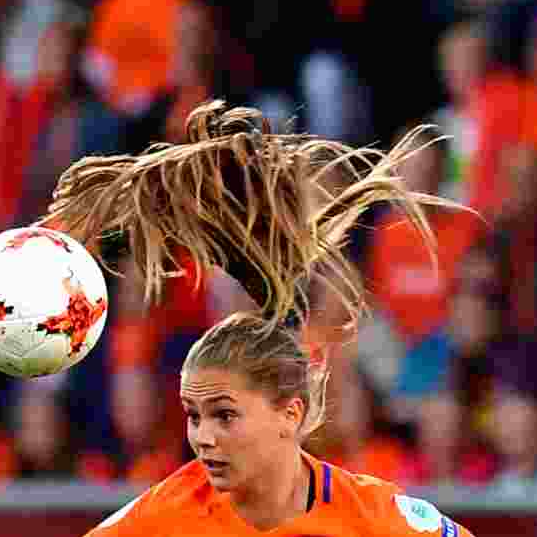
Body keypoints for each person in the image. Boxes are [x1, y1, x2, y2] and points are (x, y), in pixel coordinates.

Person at [38, 100, 477, 536]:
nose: (204, 437)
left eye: (223, 417)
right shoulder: (161, 515)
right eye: (195, 416)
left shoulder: (372, 509)